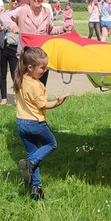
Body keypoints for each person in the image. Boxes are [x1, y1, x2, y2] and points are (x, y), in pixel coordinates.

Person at [15, 46, 71, 200]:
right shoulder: (36, 85)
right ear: (30, 67)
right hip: (35, 123)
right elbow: (43, 105)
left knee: (35, 155)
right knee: (51, 144)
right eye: (42, 68)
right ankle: (29, 163)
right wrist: (59, 102)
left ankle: (36, 188)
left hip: (21, 123)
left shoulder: (20, 78)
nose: (45, 70)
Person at [0, 0, 73, 85]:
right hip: (25, 58)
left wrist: (63, 28)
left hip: (41, 58)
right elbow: (4, 16)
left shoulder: (46, 12)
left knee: (40, 90)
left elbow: (50, 30)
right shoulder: (22, 10)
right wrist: (13, 26)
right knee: (26, 89)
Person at [0, 0, 22, 105]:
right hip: (3, 46)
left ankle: (18, 96)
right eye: (13, 0)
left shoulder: (21, 13)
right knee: (2, 73)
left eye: (18, 0)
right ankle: (4, 98)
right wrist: (0, 28)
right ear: (8, 0)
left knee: (15, 73)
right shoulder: (4, 14)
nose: (15, 2)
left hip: (15, 47)